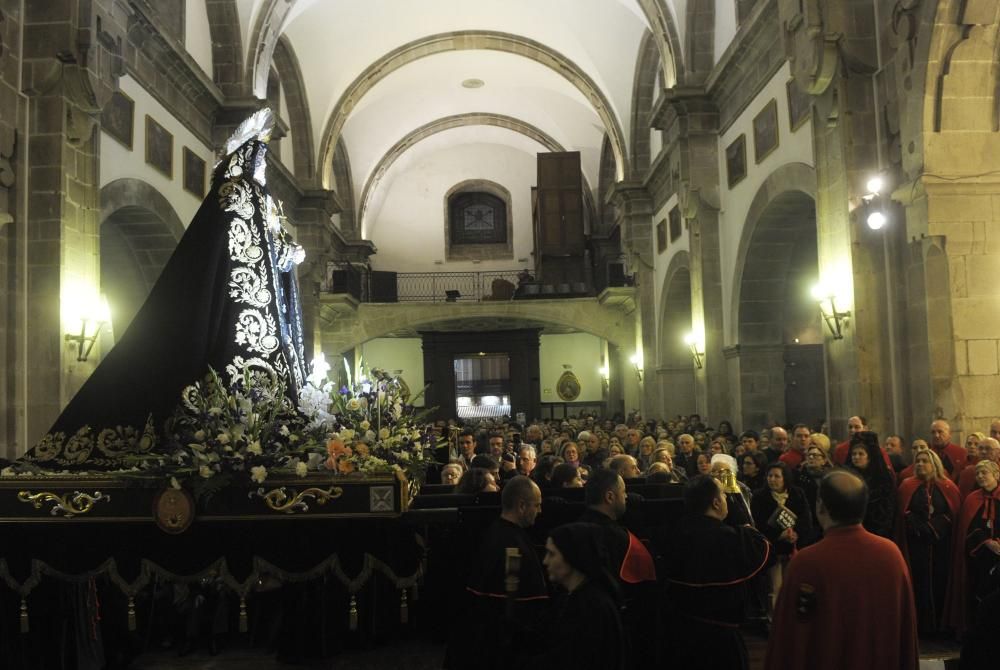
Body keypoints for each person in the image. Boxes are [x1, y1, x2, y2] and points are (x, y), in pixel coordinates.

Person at [764, 470, 918, 670]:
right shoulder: (891, 555)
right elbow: (905, 631)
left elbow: (788, 640)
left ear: (821, 507)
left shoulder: (807, 561)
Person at [660, 475, 770, 670]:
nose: (727, 499)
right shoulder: (729, 537)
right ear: (716, 502)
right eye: (724, 496)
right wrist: (742, 520)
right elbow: (763, 548)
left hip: (680, 632)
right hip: (721, 639)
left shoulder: (672, 531)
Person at [448, 476, 548, 670]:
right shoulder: (512, 547)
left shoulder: (496, 532)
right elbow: (511, 606)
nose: (540, 511)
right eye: (537, 505)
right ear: (521, 506)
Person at [524, 523, 626, 670]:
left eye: (552, 554)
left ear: (572, 557)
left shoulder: (592, 607)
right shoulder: (573, 597)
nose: (545, 561)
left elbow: (569, 659)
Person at [896, 449, 960, 633]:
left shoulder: (948, 486)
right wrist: (915, 523)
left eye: (925, 461)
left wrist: (935, 527)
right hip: (915, 545)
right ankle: (920, 627)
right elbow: (902, 513)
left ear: (935, 464)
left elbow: (953, 514)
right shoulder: (907, 485)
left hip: (942, 546)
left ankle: (940, 626)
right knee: (918, 584)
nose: (920, 464)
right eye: (918, 461)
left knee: (940, 582)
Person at [944, 459, 1000, 638]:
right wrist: (985, 542)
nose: (980, 476)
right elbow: (967, 530)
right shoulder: (972, 499)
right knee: (979, 594)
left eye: (985, 473)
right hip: (979, 556)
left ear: (997, 475)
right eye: (978, 473)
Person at [750, 462, 815, 611]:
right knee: (776, 587)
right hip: (773, 550)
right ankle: (774, 621)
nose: (772, 479)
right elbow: (757, 523)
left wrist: (796, 534)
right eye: (770, 476)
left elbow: (806, 519)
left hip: (794, 548)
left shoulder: (797, 493)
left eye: (777, 476)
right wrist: (779, 535)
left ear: (785, 478)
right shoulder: (759, 497)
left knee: (793, 586)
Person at [845, 431, 896, 538]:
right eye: (854, 454)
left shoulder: (882, 477)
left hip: (876, 529)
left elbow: (888, 508)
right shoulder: (846, 476)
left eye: (861, 454)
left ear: (869, 457)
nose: (856, 457)